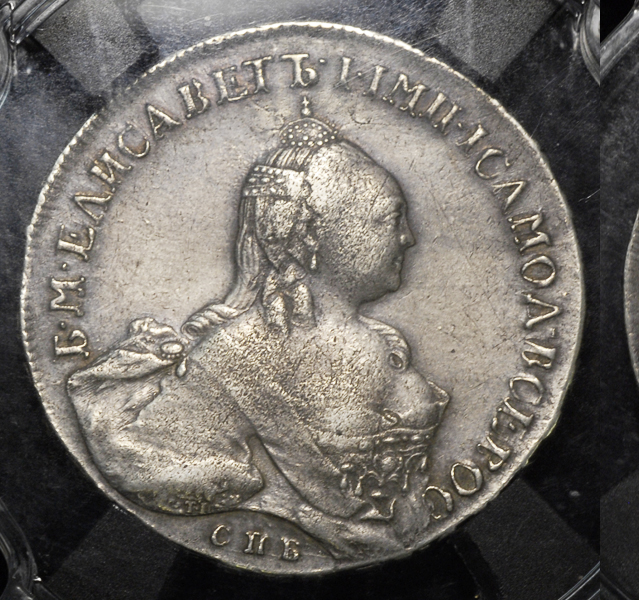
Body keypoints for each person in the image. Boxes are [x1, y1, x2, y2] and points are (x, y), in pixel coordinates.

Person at [66, 101, 449, 559]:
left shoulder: (384, 344)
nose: (408, 237)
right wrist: (294, 512)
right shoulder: (230, 361)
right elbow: (151, 466)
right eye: (389, 218)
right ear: (309, 235)